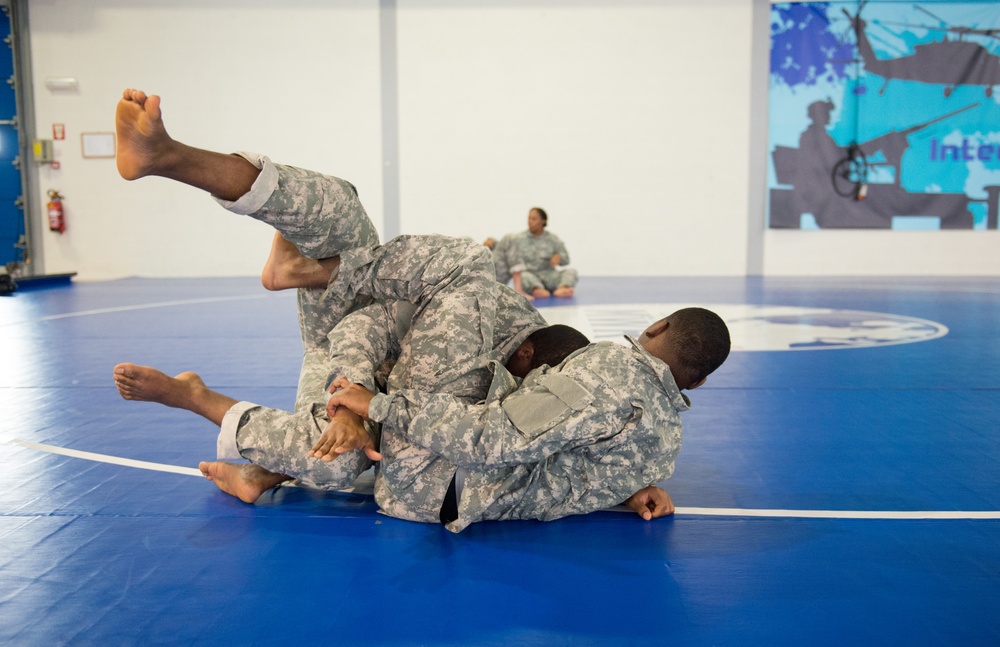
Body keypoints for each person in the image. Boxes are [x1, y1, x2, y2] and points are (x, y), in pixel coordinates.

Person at [112, 88, 676, 527]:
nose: (531, 397)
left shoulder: (518, 392)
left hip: (364, 400)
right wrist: (352, 403)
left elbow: (549, 449)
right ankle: (169, 156)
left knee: (354, 458)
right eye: (534, 380)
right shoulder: (482, 316)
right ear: (526, 350)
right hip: (347, 346)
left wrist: (622, 486)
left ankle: (204, 404)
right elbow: (368, 323)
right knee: (339, 202)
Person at [329, 305, 730, 531]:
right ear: (699, 382)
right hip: (452, 502)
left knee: (458, 287)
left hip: (428, 477)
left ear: (657, 326)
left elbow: (491, 439)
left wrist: (377, 405)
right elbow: (588, 456)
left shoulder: (611, 366)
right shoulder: (667, 444)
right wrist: (629, 490)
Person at [484, 207, 578, 299]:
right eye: (529, 218)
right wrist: (493, 243)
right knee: (521, 276)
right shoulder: (520, 238)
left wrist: (559, 258)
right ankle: (537, 289)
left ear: (543, 221)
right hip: (530, 276)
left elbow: (566, 259)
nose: (530, 221)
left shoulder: (553, 239)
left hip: (549, 275)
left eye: (534, 219)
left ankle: (563, 288)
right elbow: (507, 247)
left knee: (572, 272)